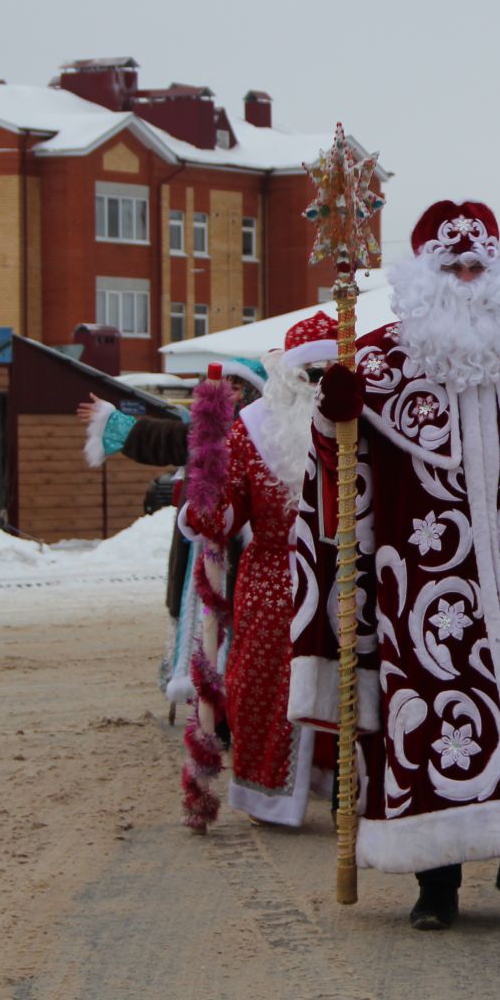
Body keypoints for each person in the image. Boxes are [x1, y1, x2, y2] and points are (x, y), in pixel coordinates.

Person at [290, 201, 500, 930]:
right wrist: (332, 416)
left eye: (479, 266)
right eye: (453, 267)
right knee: (431, 718)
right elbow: (339, 479)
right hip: (423, 587)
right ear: (424, 277)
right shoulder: (375, 361)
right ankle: (434, 879)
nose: (468, 278)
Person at [178, 322, 342, 829]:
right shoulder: (253, 426)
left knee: (353, 682)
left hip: (349, 575)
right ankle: (269, 794)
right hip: (274, 574)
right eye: (310, 372)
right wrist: (205, 481)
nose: (318, 384)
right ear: (288, 373)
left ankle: (346, 790)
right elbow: (225, 517)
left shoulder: (359, 420)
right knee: (261, 685)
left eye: (329, 373)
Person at [79, 361, 267, 706]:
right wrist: (112, 419)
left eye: (237, 386)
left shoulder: (267, 434)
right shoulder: (206, 433)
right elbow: (161, 438)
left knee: (241, 631)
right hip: (202, 552)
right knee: (201, 626)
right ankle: (205, 696)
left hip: (250, 556)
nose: (228, 393)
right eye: (223, 385)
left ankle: (234, 701)